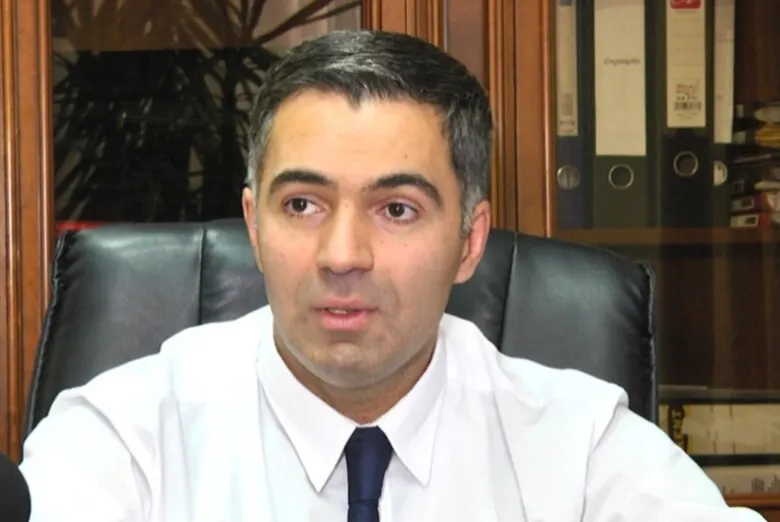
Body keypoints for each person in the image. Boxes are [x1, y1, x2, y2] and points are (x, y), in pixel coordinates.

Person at [18, 29, 765, 522]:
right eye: (302, 204)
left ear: (470, 241)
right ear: (254, 225)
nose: (343, 254)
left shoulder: (578, 445)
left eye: (397, 209)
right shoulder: (124, 438)